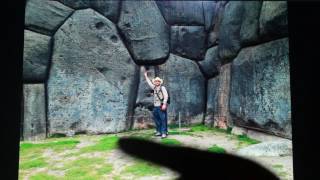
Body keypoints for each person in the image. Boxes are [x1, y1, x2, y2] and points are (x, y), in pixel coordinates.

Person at [143, 67, 169, 138]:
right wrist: (146, 76)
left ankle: (164, 132)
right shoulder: (154, 88)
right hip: (155, 106)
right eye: (156, 81)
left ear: (160, 82)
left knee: (163, 119)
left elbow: (166, 96)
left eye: (158, 81)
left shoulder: (162, 88)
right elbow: (149, 83)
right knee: (157, 119)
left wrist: (164, 104)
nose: (157, 82)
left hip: (161, 106)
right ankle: (159, 131)